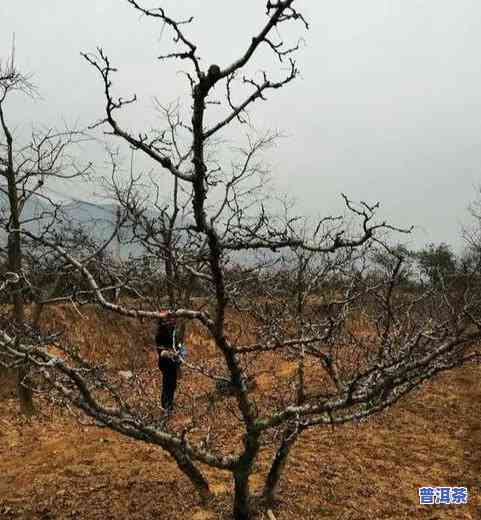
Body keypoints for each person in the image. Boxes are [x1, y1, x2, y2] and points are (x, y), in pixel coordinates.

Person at [155, 316, 184, 413]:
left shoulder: (173, 332)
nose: (172, 321)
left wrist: (180, 352)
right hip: (165, 363)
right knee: (168, 384)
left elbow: (178, 345)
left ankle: (169, 406)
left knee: (172, 385)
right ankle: (166, 408)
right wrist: (171, 353)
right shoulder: (161, 334)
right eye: (169, 320)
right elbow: (161, 352)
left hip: (173, 363)